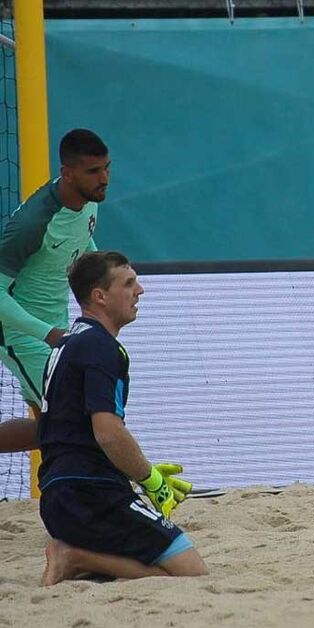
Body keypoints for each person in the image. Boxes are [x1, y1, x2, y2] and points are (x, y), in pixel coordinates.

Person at [38, 251, 207, 585]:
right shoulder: (101, 347)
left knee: (126, 569)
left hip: (58, 496)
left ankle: (81, 558)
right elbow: (108, 432)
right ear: (99, 296)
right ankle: (72, 556)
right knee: (192, 571)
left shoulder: (67, 344)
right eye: (128, 284)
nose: (139, 291)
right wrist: (150, 479)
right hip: (91, 493)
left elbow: (61, 426)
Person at [0, 129, 108, 457]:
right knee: (69, 424)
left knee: (51, 425)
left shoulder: (89, 200)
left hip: (56, 324)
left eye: (107, 168)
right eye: (93, 171)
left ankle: (55, 485)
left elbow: (80, 245)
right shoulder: (33, 223)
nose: (104, 179)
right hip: (21, 333)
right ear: (67, 173)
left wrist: (107, 276)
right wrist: (47, 334)